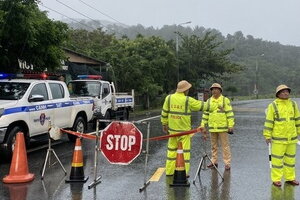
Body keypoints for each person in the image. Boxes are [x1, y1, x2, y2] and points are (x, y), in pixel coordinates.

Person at [161, 80, 220, 176]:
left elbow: (164, 112)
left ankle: (169, 172)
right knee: (185, 153)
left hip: (172, 131)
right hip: (184, 132)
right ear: (185, 90)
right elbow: (203, 106)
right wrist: (216, 106)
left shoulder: (169, 98)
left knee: (171, 152)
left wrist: (164, 124)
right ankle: (184, 173)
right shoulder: (188, 100)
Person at [263, 84, 300, 187]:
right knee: (277, 160)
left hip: (292, 138)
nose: (285, 93)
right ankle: (276, 179)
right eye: (283, 91)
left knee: (290, 160)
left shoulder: (293, 104)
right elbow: (269, 121)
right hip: (278, 139)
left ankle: (290, 178)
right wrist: (267, 135)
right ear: (278, 94)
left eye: (287, 91)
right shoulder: (273, 105)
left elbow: (297, 119)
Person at [200, 83, 234, 170]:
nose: (214, 91)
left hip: (223, 128)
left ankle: (227, 163)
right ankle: (214, 161)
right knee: (213, 146)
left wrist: (230, 125)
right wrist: (203, 125)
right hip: (212, 128)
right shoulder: (208, 101)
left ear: (220, 90)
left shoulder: (224, 100)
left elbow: (229, 113)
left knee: (225, 146)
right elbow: (205, 114)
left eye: (216, 89)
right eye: (213, 89)